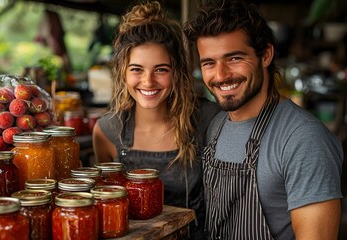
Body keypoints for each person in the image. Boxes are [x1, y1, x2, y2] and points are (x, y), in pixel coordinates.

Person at [183, 1, 343, 239]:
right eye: (209, 63)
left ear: (266, 55)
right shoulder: (216, 127)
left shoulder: (304, 139)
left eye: (234, 58)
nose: (220, 75)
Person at [92, 1, 220, 239]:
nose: (148, 82)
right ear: (123, 72)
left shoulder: (208, 119)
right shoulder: (107, 131)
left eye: (161, 69)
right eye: (137, 69)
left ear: (177, 72)